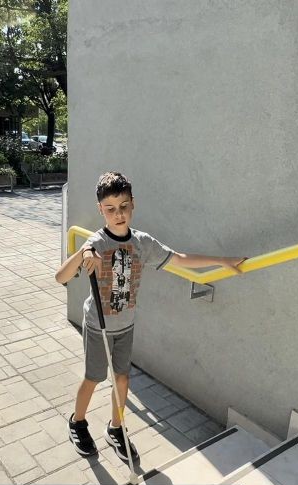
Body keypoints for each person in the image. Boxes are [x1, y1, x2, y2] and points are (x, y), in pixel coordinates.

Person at [55, 171, 246, 460]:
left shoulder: (141, 243)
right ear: (101, 210)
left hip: (125, 326)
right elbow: (61, 277)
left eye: (124, 206)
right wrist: (82, 254)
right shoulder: (97, 243)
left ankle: (116, 428)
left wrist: (222, 261)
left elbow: (179, 259)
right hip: (98, 327)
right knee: (93, 378)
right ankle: (77, 422)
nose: (118, 214)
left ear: (133, 203)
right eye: (110, 209)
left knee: (122, 380)